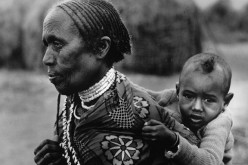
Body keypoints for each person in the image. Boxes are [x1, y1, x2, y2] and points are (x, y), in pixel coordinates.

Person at [33, 0, 200, 165]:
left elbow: (198, 155)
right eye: (47, 44)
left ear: (101, 47)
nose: (46, 59)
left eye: (57, 44)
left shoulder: (139, 110)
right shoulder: (71, 109)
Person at [142, 53, 234, 165]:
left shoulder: (219, 124)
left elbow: (210, 161)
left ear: (226, 101)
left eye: (208, 100)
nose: (197, 107)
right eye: (189, 96)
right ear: (178, 91)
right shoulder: (172, 98)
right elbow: (143, 96)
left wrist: (173, 140)